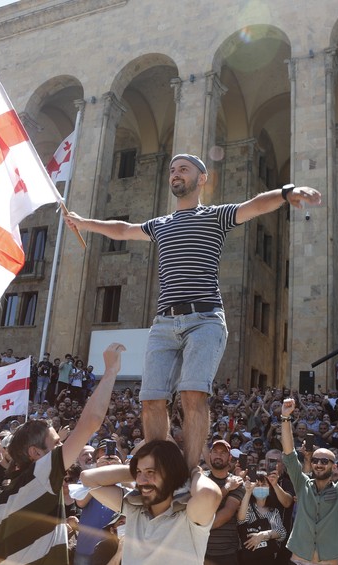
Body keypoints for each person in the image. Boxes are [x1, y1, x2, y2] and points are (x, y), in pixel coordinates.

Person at [66, 154, 321, 468]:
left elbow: (253, 205)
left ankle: (187, 473)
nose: (175, 174)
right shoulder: (159, 225)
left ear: (202, 179)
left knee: (192, 396)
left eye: (183, 169)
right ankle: (163, 468)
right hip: (164, 323)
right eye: (172, 170)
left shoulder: (215, 216)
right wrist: (82, 223)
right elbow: (121, 229)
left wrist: (286, 193)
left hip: (205, 320)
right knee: (150, 401)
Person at [0, 343, 126, 565]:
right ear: (36, 453)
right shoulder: (42, 474)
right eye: (56, 444)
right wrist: (111, 371)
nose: (61, 449)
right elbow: (92, 421)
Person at [79, 439, 223, 562]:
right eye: (138, 473)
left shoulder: (189, 516)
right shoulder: (133, 507)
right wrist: (134, 470)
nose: (140, 481)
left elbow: (209, 494)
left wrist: (193, 472)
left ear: (171, 474)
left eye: (151, 472)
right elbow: (88, 478)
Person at [280, 396, 338, 564]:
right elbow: (289, 454)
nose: (319, 464)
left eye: (324, 461)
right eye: (315, 460)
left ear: (334, 467)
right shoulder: (302, 483)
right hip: (299, 559)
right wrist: (285, 417)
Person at [205, 439, 245, 564]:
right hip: (200, 549)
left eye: (223, 453)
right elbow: (204, 507)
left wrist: (198, 525)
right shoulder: (200, 479)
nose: (218, 455)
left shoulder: (237, 482)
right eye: (215, 452)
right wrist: (227, 488)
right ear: (210, 455)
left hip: (226, 553)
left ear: (229, 458)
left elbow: (226, 514)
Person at [237, 470, 287, 565]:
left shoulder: (274, 511)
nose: (260, 487)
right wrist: (247, 493)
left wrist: (263, 535)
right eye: (257, 485)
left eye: (263, 484)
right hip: (248, 559)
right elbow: (241, 520)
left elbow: (282, 532)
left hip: (268, 559)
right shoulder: (247, 507)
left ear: (269, 487)